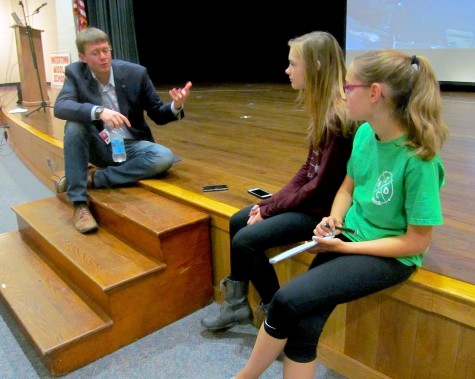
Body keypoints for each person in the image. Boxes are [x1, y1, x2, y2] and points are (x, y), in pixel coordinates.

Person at [233, 50, 449, 378]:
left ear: (375, 93)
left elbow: (415, 243)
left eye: (349, 87)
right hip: (350, 235)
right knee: (305, 324)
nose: (343, 93)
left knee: (285, 301)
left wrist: (346, 247)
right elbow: (347, 189)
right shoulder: (364, 134)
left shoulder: (419, 161)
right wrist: (332, 219)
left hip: (390, 255)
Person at [201, 31, 357, 330]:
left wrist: (270, 209)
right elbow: (306, 170)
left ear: (317, 66)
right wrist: (267, 204)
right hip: (310, 201)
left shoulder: (341, 117)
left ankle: (280, 316)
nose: (287, 70)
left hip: (322, 212)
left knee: (246, 240)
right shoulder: (324, 107)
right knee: (238, 220)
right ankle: (236, 306)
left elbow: (319, 188)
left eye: (293, 64)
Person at [54, 27, 192, 234]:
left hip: (130, 145)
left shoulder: (135, 73)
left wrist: (176, 106)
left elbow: (157, 113)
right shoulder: (75, 73)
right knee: (74, 126)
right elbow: (61, 106)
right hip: (99, 145)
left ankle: (94, 179)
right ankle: (79, 203)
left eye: (106, 50)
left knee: (164, 157)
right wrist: (98, 111)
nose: (103, 57)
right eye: (95, 53)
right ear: (83, 57)